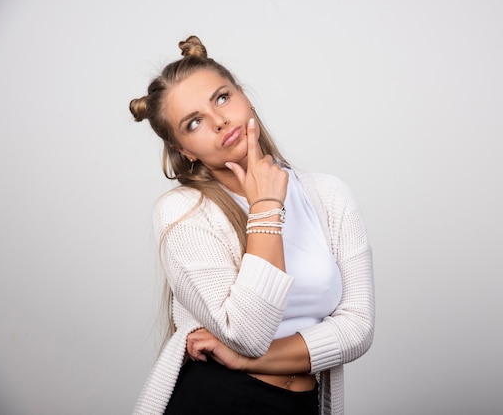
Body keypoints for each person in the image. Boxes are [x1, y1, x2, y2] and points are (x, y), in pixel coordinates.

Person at [129, 35, 375, 415]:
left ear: (244, 95)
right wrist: (265, 206)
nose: (219, 121)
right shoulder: (182, 213)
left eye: (222, 98)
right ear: (184, 150)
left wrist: (248, 360)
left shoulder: (329, 195)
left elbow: (358, 328)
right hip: (218, 402)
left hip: (302, 404)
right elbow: (246, 332)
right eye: (194, 123)